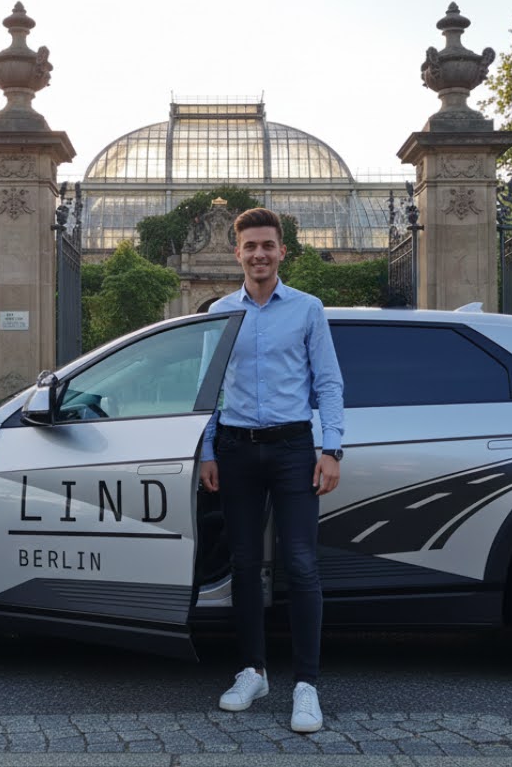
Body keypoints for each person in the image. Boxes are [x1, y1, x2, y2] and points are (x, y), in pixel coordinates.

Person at [199, 207, 344, 734]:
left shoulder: (307, 309)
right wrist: (208, 450)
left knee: (301, 564)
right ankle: (252, 672)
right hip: (236, 450)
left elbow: (328, 382)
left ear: (283, 251)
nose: (259, 254)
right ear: (236, 253)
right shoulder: (220, 312)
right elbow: (209, 388)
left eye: (267, 245)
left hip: (292, 449)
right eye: (250, 246)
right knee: (243, 565)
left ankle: (306, 685)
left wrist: (332, 449)